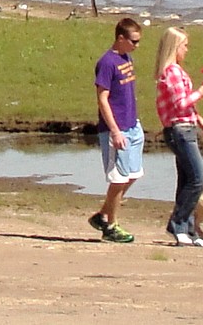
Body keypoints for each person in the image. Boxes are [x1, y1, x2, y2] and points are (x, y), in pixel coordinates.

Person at [155, 25, 203, 246]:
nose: (187, 50)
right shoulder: (172, 72)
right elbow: (181, 103)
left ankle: (189, 229)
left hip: (186, 128)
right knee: (197, 180)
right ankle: (178, 223)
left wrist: (199, 120)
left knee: (187, 181)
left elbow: (182, 105)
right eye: (184, 46)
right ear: (175, 47)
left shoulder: (176, 71)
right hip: (179, 131)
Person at [88, 16, 147, 243]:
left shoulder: (126, 58)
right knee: (119, 179)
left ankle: (103, 214)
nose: (137, 46)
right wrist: (114, 130)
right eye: (134, 41)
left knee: (133, 174)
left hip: (132, 125)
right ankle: (111, 226)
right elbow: (102, 99)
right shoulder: (107, 63)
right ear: (121, 38)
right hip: (117, 129)